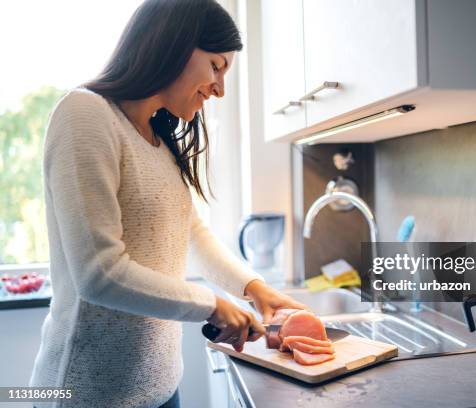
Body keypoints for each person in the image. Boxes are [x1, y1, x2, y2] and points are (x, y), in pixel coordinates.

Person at [29, 1, 307, 407]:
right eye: (216, 66)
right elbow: (99, 274)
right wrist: (212, 305)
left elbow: (191, 231)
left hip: (162, 386)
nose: (219, 89)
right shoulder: (85, 114)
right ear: (174, 45)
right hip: (87, 395)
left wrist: (254, 289)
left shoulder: (160, 137)